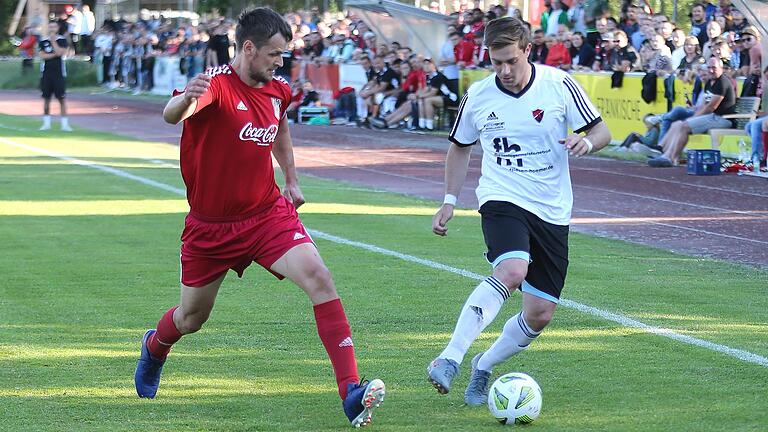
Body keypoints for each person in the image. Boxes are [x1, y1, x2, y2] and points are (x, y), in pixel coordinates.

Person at [133, 8, 385, 428]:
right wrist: (183, 99)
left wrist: (291, 178)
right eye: (273, 54)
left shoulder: (278, 89)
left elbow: (280, 127)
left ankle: (351, 392)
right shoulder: (213, 86)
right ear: (248, 48)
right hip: (210, 228)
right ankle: (155, 346)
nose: (279, 62)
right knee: (191, 318)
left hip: (267, 215)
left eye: (283, 55)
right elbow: (173, 114)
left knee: (319, 276)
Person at [426, 16, 611, 406]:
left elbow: (601, 131)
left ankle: (482, 365)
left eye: (511, 60)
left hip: (552, 208)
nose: (505, 71)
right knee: (512, 270)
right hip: (501, 196)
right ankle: (450, 357)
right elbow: (460, 146)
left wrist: (587, 143)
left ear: (528, 50)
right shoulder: (478, 96)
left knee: (540, 313)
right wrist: (448, 200)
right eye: (497, 63)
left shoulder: (558, 85)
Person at [648, 56, 736, 167]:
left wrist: (692, 119)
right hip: (713, 117)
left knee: (684, 126)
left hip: (723, 118)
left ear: (721, 68)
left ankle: (670, 157)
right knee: (677, 124)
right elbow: (704, 104)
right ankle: (664, 153)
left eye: (714, 67)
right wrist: (694, 114)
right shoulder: (710, 83)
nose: (711, 70)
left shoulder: (722, 82)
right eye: (709, 67)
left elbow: (711, 107)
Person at [38, 21, 72, 132]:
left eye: (54, 26)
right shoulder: (43, 41)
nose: (52, 28)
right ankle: (46, 124)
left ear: (58, 28)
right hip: (46, 73)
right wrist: (53, 55)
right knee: (46, 99)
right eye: (50, 26)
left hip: (59, 73)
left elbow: (60, 52)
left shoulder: (62, 40)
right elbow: (42, 55)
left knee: (61, 98)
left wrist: (53, 42)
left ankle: (65, 125)